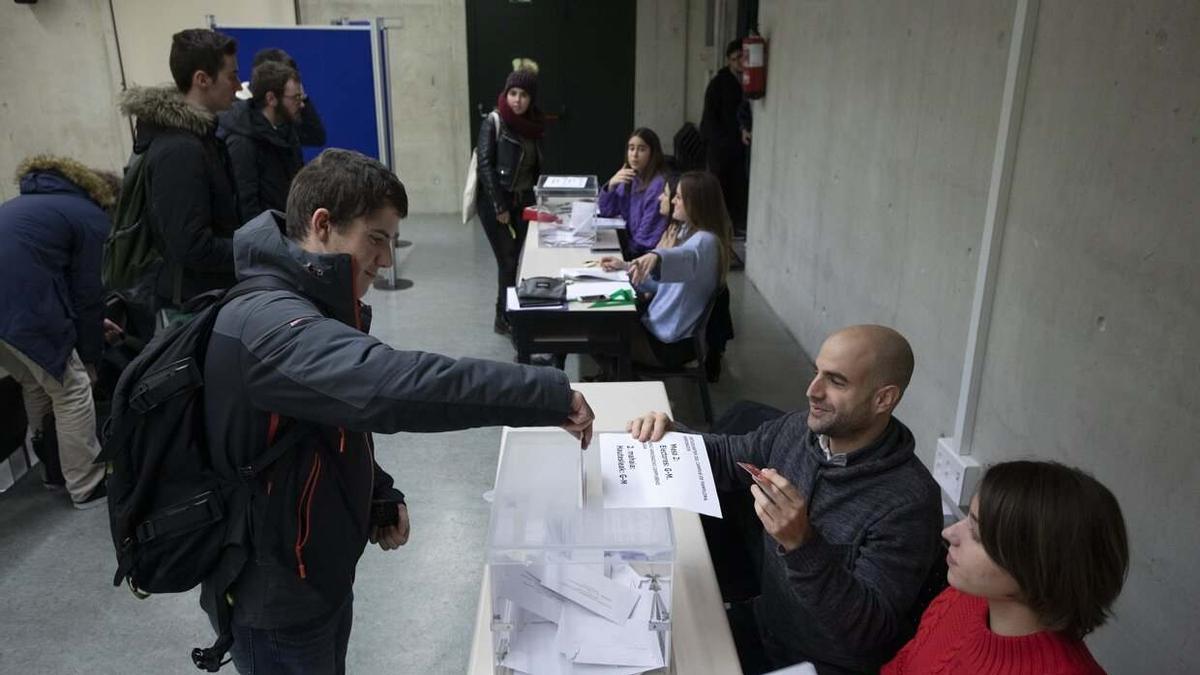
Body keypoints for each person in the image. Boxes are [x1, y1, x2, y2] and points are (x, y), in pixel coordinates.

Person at [200, 148, 594, 674]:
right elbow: (390, 387)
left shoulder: (309, 301)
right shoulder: (270, 324)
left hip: (316, 572)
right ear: (323, 225)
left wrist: (377, 492)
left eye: (392, 241)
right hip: (277, 598)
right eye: (377, 238)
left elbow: (322, 427)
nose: (386, 260)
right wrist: (547, 395)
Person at [626, 325, 943, 674]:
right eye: (815, 372)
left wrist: (801, 543)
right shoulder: (798, 431)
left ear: (884, 398)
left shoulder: (909, 503)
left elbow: (866, 631)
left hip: (823, 664)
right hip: (767, 626)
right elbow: (728, 456)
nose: (812, 391)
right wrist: (671, 437)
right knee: (645, 652)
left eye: (836, 382)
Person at [883, 461, 1128, 675]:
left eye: (977, 534)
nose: (949, 533)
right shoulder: (961, 598)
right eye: (969, 517)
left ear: (1035, 568)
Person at [0, 155, 116, 509]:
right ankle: (87, 484)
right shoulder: (89, 216)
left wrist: (91, 326)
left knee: (37, 382)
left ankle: (53, 470)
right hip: (20, 307)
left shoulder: (26, 205)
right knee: (73, 387)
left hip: (12, 310)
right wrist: (92, 355)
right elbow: (86, 294)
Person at [118, 28, 242, 314]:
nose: (237, 85)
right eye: (231, 75)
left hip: (212, 295)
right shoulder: (179, 151)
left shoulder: (202, 139)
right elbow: (190, 246)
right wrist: (252, 249)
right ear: (202, 80)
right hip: (193, 305)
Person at [599, 171, 731, 369]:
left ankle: (625, 380)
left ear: (696, 203)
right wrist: (626, 267)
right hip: (660, 333)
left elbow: (687, 255)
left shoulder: (706, 242)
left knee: (593, 332)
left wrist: (658, 256)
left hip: (667, 345)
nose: (673, 201)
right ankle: (618, 377)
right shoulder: (690, 233)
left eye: (678, 197)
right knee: (600, 321)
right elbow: (661, 282)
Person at [476, 67, 544, 335]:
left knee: (516, 260)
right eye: (513, 93)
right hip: (496, 202)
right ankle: (506, 318)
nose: (517, 100)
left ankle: (505, 313)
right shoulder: (494, 121)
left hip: (523, 201)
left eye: (524, 95)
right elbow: (485, 165)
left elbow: (534, 167)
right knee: (507, 260)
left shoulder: (534, 127)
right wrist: (499, 206)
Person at [219, 60, 306, 217]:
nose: (301, 105)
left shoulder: (288, 132)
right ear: (271, 98)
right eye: (296, 98)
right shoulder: (242, 142)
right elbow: (246, 206)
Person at [700, 38, 749, 234]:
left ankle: (734, 225)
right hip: (721, 147)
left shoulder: (746, 81)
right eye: (735, 58)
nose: (739, 62)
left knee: (737, 187)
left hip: (737, 147)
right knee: (721, 187)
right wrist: (721, 142)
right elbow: (710, 118)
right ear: (728, 60)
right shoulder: (719, 84)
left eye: (742, 58)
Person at [598, 128, 670, 257]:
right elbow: (607, 211)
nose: (634, 155)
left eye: (641, 149)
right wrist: (611, 185)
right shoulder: (631, 177)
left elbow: (646, 238)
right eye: (631, 148)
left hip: (643, 254)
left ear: (652, 154)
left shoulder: (657, 185)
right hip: (631, 246)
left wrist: (625, 257)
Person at [250, 47, 327, 154]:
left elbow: (316, 136)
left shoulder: (284, 120)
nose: (301, 105)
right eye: (288, 79)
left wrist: (300, 95)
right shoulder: (243, 122)